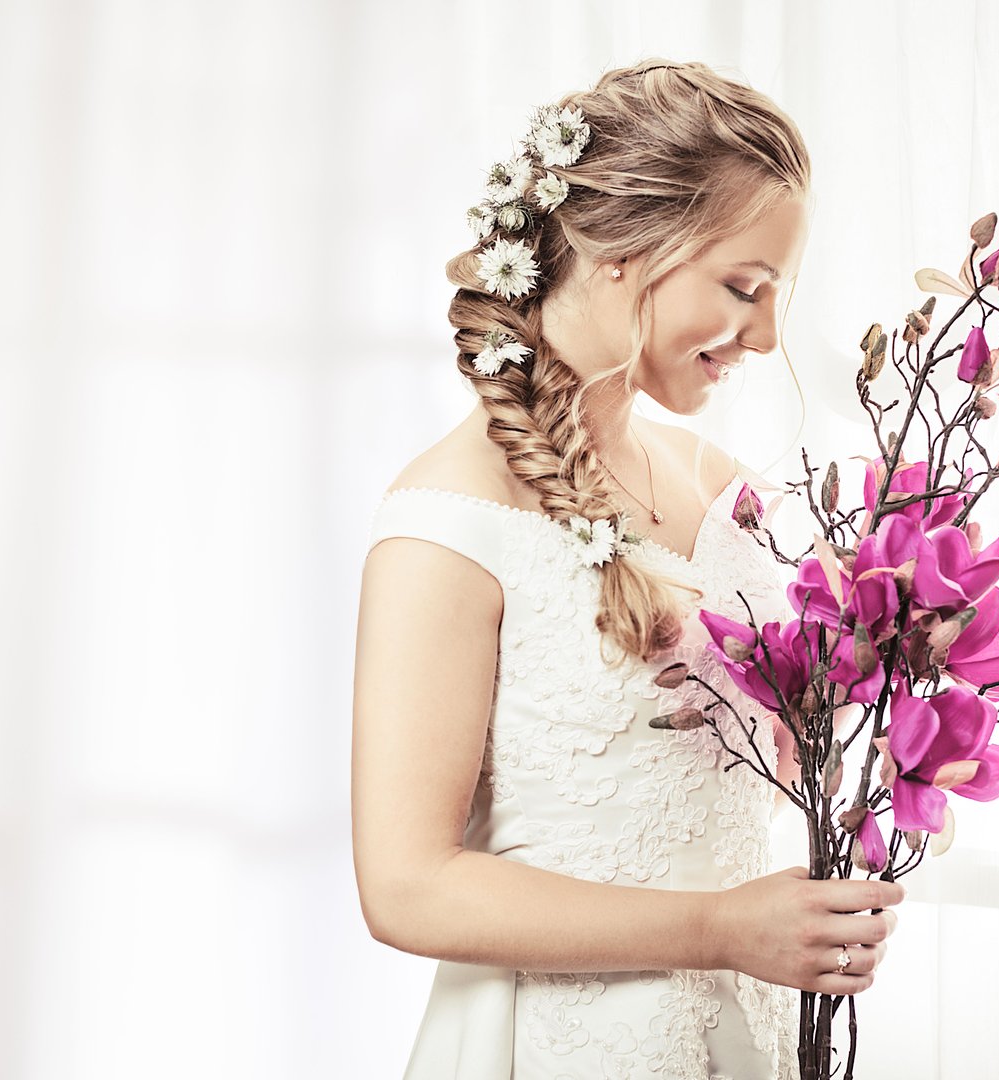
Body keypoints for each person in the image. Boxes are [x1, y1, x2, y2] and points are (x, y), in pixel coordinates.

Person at [351, 58, 903, 1079]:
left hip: (752, 1039)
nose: (769, 334)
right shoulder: (445, 524)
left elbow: (781, 753)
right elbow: (406, 885)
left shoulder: (730, 495)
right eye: (744, 287)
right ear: (618, 250)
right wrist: (719, 931)